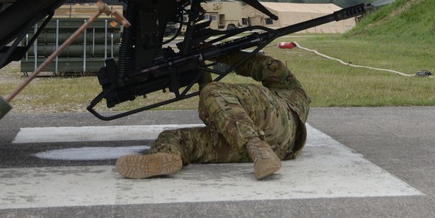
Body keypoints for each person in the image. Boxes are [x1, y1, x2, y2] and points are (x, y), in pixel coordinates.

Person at [115, 50, 310, 180]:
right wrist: (202, 70)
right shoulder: (295, 99)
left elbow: (265, 65)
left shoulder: (289, 92)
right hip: (282, 149)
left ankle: (257, 147)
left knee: (213, 91)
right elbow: (220, 109)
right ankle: (164, 157)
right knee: (173, 137)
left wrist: (220, 53)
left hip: (278, 121)